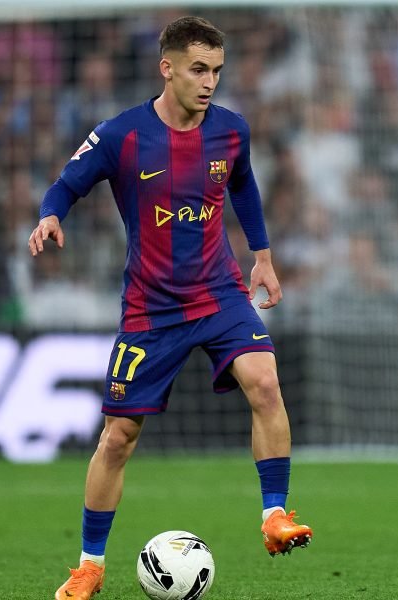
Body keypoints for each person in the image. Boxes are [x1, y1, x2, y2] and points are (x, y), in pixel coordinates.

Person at [29, 16, 313, 600]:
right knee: (117, 437)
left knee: (265, 382)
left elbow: (243, 185)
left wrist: (262, 257)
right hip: (151, 309)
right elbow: (67, 183)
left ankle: (274, 516)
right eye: (198, 70)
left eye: (217, 71)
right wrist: (50, 214)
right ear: (167, 68)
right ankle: (89, 566)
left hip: (220, 293)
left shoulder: (231, 131)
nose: (209, 82)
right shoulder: (122, 135)